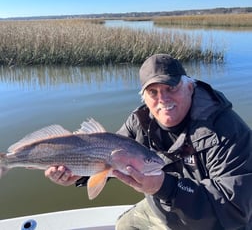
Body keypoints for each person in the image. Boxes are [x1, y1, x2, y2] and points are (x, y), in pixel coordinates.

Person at [45, 53, 252, 230]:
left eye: (171, 88)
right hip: (164, 209)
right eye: (153, 92)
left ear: (190, 87)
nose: (163, 99)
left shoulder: (229, 132)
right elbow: (106, 157)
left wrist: (165, 187)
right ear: (144, 96)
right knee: (125, 225)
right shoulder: (140, 121)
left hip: (215, 223)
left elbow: (234, 211)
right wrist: (76, 173)